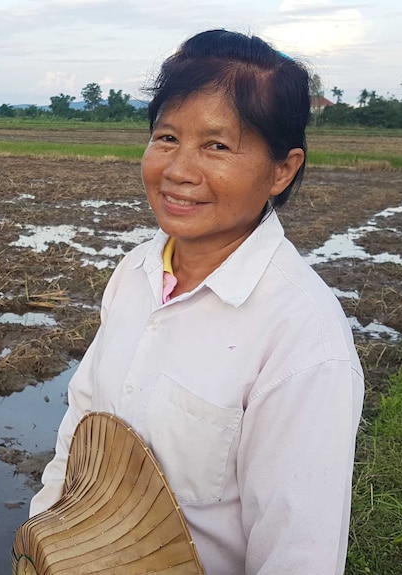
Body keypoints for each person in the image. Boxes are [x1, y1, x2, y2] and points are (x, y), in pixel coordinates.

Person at [29, 29, 364, 574]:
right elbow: (83, 423)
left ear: (283, 169)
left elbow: (297, 554)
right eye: (166, 138)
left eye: (217, 145)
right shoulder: (135, 271)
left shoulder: (303, 336)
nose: (178, 170)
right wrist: (42, 539)